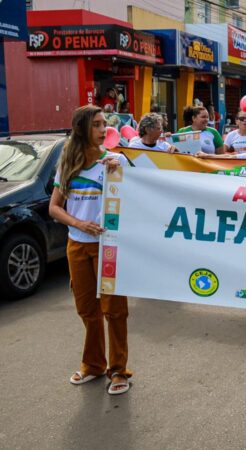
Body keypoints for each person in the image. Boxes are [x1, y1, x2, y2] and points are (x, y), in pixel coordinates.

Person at [48, 105, 132, 395]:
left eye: (104, 124)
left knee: (114, 310)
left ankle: (119, 370)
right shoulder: (67, 165)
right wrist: (78, 223)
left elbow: (135, 198)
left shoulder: (114, 160)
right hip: (77, 246)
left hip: (108, 248)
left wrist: (118, 173)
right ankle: (93, 365)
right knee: (87, 310)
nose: (103, 129)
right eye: (96, 124)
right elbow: (54, 208)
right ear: (82, 128)